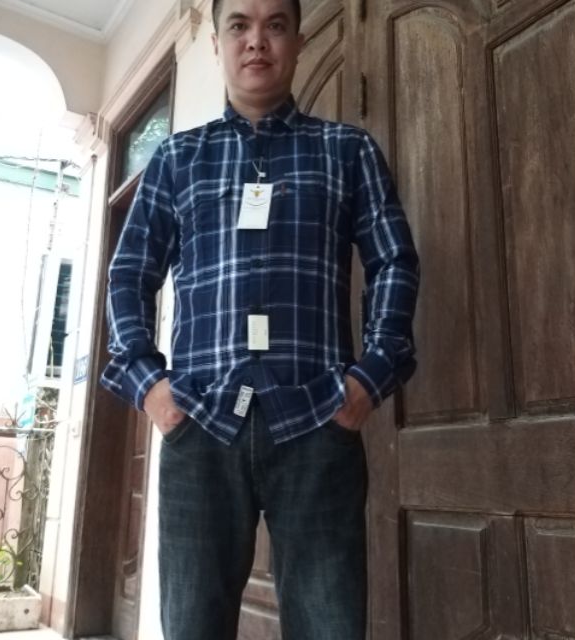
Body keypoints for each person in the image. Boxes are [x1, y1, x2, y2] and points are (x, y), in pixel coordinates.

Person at [101, 0, 419, 637]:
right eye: (239, 26)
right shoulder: (175, 160)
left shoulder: (347, 150)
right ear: (217, 42)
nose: (256, 41)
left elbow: (393, 260)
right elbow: (129, 275)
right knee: (192, 627)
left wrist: (369, 378)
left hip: (318, 425)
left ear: (298, 42)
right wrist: (151, 388)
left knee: (330, 627)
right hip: (201, 428)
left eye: (275, 25)